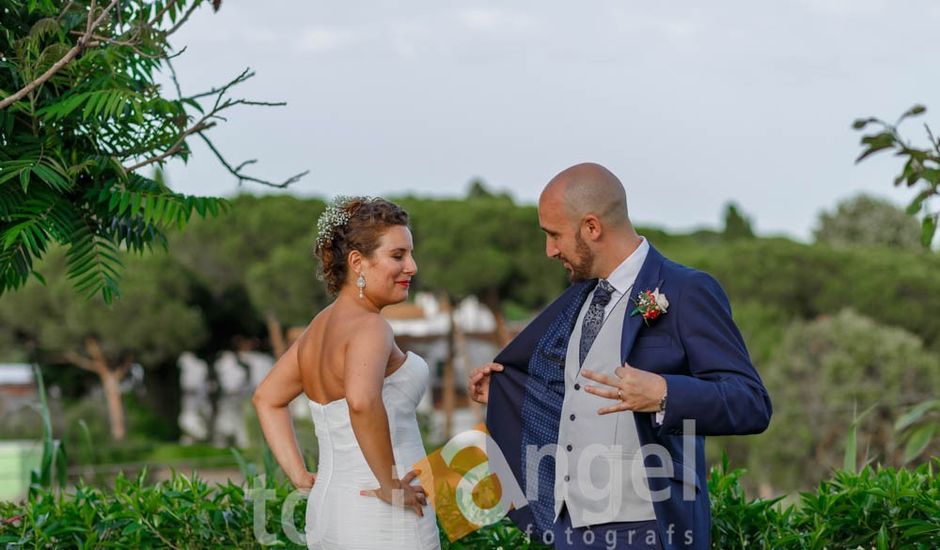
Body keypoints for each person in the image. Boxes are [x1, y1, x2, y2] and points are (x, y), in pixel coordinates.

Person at [468, 163, 772, 550]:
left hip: (646, 526)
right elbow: (578, 394)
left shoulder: (685, 290)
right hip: (568, 529)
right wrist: (510, 390)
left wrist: (664, 393)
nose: (549, 251)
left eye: (554, 235)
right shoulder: (577, 301)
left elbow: (751, 402)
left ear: (592, 227)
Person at [253, 197, 440, 550]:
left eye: (410, 254)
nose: (412, 266)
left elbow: (267, 398)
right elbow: (361, 401)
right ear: (358, 262)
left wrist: (298, 475)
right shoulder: (371, 327)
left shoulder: (317, 329)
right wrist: (389, 484)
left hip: (329, 509)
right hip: (384, 515)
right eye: (398, 256)